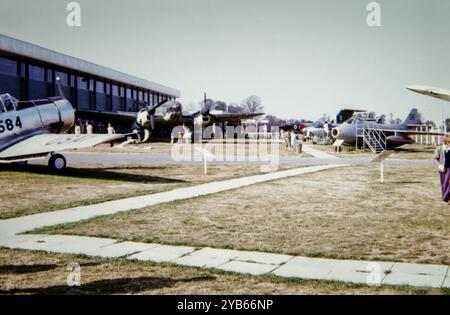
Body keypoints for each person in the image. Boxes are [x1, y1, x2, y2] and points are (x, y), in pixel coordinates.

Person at [433, 133, 450, 203]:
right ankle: (445, 197)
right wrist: (439, 165)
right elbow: (435, 158)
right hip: (442, 168)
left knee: (448, 183)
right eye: (447, 136)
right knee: (443, 183)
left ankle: (447, 197)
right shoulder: (439, 148)